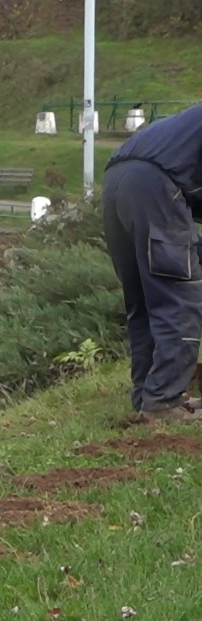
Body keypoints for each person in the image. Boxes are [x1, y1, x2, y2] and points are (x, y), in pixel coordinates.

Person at [102, 102, 202, 420]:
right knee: (179, 299)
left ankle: (148, 395)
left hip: (118, 177)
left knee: (145, 301)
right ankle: (163, 400)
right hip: (157, 183)